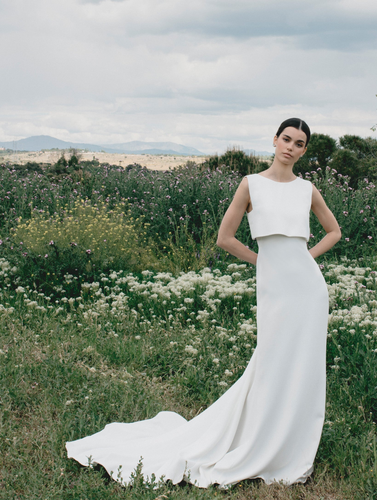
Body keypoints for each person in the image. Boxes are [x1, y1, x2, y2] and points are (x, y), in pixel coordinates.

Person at [65, 118, 341, 488]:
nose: (291, 147)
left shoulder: (307, 189)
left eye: (300, 143)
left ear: (305, 150)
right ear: (274, 140)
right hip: (275, 287)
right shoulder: (251, 184)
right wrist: (263, 263)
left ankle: (292, 448)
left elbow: (334, 230)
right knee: (271, 362)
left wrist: (307, 257)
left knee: (304, 367)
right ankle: (260, 442)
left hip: (309, 290)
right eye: (287, 139)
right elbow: (224, 238)